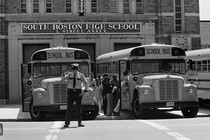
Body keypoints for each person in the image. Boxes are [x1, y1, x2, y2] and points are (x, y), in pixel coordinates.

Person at [61, 63, 89, 128]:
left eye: (74, 69)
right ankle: (66, 123)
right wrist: (63, 74)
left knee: (79, 108)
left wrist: (86, 90)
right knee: (69, 108)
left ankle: (80, 122)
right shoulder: (69, 75)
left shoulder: (81, 75)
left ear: (77, 69)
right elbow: (62, 79)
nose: (73, 71)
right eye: (72, 69)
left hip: (78, 92)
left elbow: (86, 83)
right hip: (70, 92)